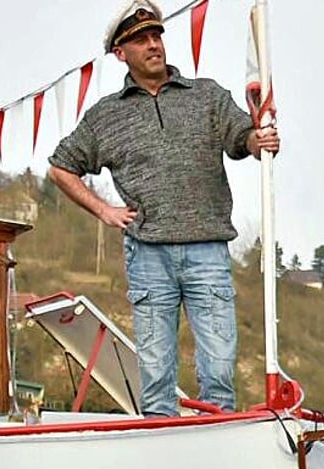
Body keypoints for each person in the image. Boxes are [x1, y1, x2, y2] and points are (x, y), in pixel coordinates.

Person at [47, 0, 280, 417]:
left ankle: (218, 439)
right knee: (155, 372)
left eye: (156, 36)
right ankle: (162, 447)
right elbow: (60, 168)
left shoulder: (206, 96)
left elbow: (240, 137)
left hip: (208, 250)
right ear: (121, 53)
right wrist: (103, 210)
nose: (153, 44)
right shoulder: (106, 116)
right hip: (147, 253)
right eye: (141, 40)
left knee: (220, 369)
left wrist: (256, 141)